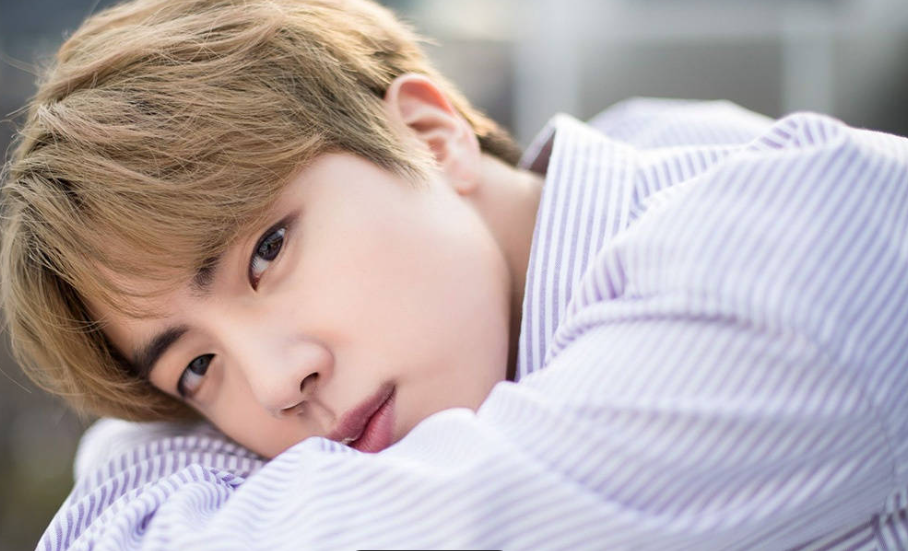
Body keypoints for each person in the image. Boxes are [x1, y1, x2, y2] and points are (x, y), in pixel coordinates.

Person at [2, 0, 907, 549]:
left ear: (431, 138)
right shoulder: (623, 156)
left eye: (267, 252)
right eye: (196, 367)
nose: (278, 384)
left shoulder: (793, 244)